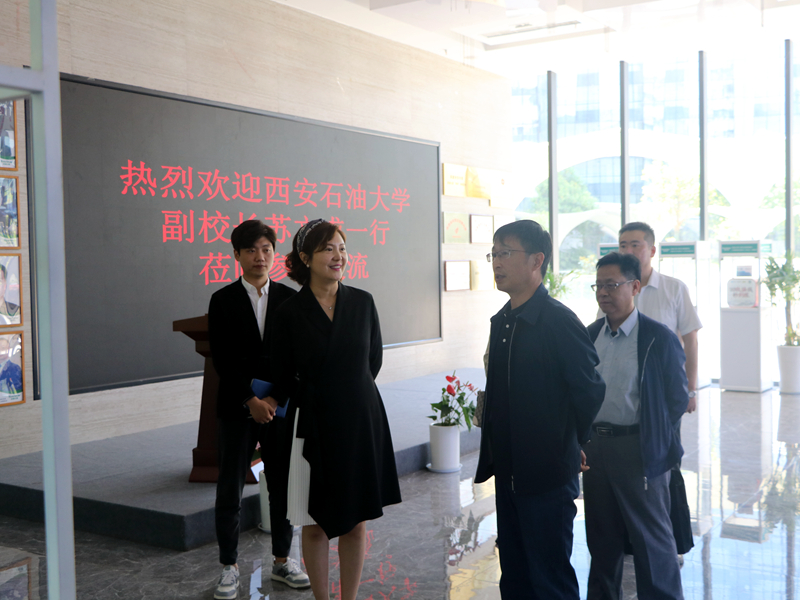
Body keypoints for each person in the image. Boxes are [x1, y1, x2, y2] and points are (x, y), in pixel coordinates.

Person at [267, 219, 401, 600]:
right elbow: (280, 372)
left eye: (342, 248)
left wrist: (347, 391)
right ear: (305, 258)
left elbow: (372, 361)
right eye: (328, 248)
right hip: (312, 423)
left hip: (359, 420)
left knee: (356, 521)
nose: (338, 256)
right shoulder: (289, 312)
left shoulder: (363, 302)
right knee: (314, 523)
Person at [474, 219, 606, 599]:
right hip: (509, 471)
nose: (497, 262)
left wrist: (573, 440)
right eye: (493, 254)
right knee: (515, 575)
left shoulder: (557, 320)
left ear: (537, 260)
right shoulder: (503, 321)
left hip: (546, 475)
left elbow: (589, 390)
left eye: (505, 253)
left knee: (549, 579)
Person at [208, 220, 310, 600]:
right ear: (237, 255)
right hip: (238, 407)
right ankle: (229, 567)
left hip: (279, 407)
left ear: (274, 253)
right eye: (251, 250)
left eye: (266, 249)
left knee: (282, 486)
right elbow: (222, 358)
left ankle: (283, 561)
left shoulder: (290, 298)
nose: (259, 257)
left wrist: (274, 399)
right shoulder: (222, 300)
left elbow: (297, 358)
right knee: (229, 487)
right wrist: (251, 400)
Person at [584, 252, 688, 600]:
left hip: (638, 449)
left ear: (635, 287)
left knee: (650, 539)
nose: (603, 293)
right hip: (595, 449)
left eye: (612, 285)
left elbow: (676, 398)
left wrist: (654, 440)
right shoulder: (590, 335)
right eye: (598, 286)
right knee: (601, 539)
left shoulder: (658, 337)